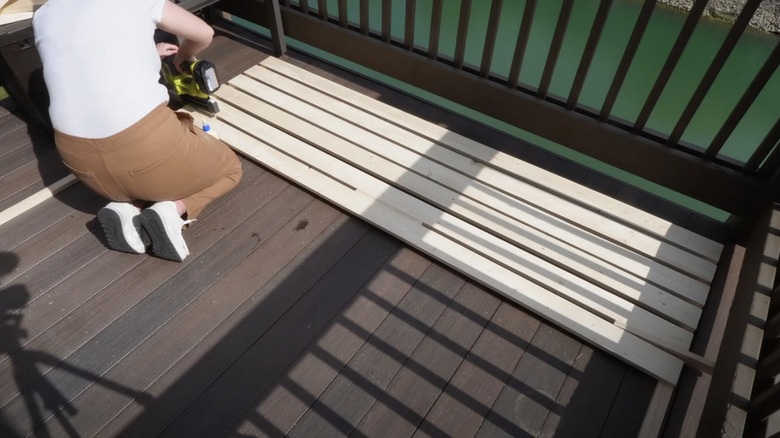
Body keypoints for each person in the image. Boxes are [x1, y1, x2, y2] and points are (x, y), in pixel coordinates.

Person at [32, 0, 242, 262]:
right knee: (230, 170)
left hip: (83, 167)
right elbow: (203, 33)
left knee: (141, 168)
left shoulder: (43, 14)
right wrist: (183, 56)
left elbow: (89, 58)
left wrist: (149, 51)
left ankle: (129, 207)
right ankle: (172, 211)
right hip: (146, 148)